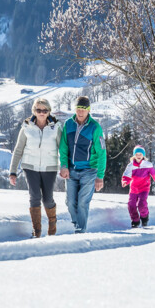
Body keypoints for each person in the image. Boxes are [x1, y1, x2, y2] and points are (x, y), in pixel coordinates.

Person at [9, 97, 61, 237]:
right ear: (34, 111)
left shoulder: (55, 127)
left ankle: (52, 228)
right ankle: (36, 232)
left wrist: (65, 167)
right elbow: (18, 149)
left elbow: (63, 149)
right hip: (30, 166)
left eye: (44, 110)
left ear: (49, 111)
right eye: (38, 110)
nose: (42, 113)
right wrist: (13, 171)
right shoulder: (26, 127)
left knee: (48, 199)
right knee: (35, 196)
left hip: (49, 167)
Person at [58, 96, 107, 233]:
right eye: (79, 109)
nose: (80, 112)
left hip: (89, 171)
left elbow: (102, 152)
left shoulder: (95, 127)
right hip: (72, 170)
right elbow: (63, 147)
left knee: (82, 203)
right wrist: (64, 165)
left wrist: (100, 176)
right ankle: (76, 225)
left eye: (84, 109)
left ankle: (80, 231)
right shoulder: (68, 124)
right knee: (70, 202)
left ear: (88, 110)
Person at [121, 145, 155, 227]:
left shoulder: (148, 165)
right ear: (134, 155)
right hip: (133, 189)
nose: (138, 156)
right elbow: (126, 175)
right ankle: (135, 221)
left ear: (143, 155)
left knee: (141, 204)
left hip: (144, 188)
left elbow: (154, 175)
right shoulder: (130, 166)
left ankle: (144, 218)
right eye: (136, 154)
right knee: (131, 205)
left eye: (140, 154)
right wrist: (125, 181)